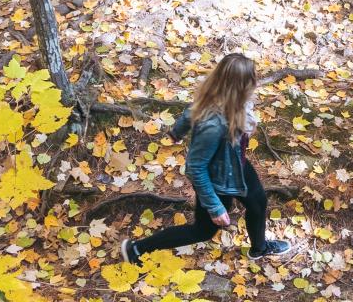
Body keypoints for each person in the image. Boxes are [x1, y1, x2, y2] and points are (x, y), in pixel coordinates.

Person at [120, 53, 291, 264]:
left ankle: (259, 248)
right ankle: (136, 249)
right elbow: (195, 168)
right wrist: (215, 207)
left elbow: (189, 112)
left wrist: (177, 132)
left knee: (258, 202)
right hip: (216, 179)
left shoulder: (219, 97)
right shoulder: (213, 124)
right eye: (250, 81)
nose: (255, 84)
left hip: (235, 163)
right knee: (202, 231)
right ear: (237, 87)